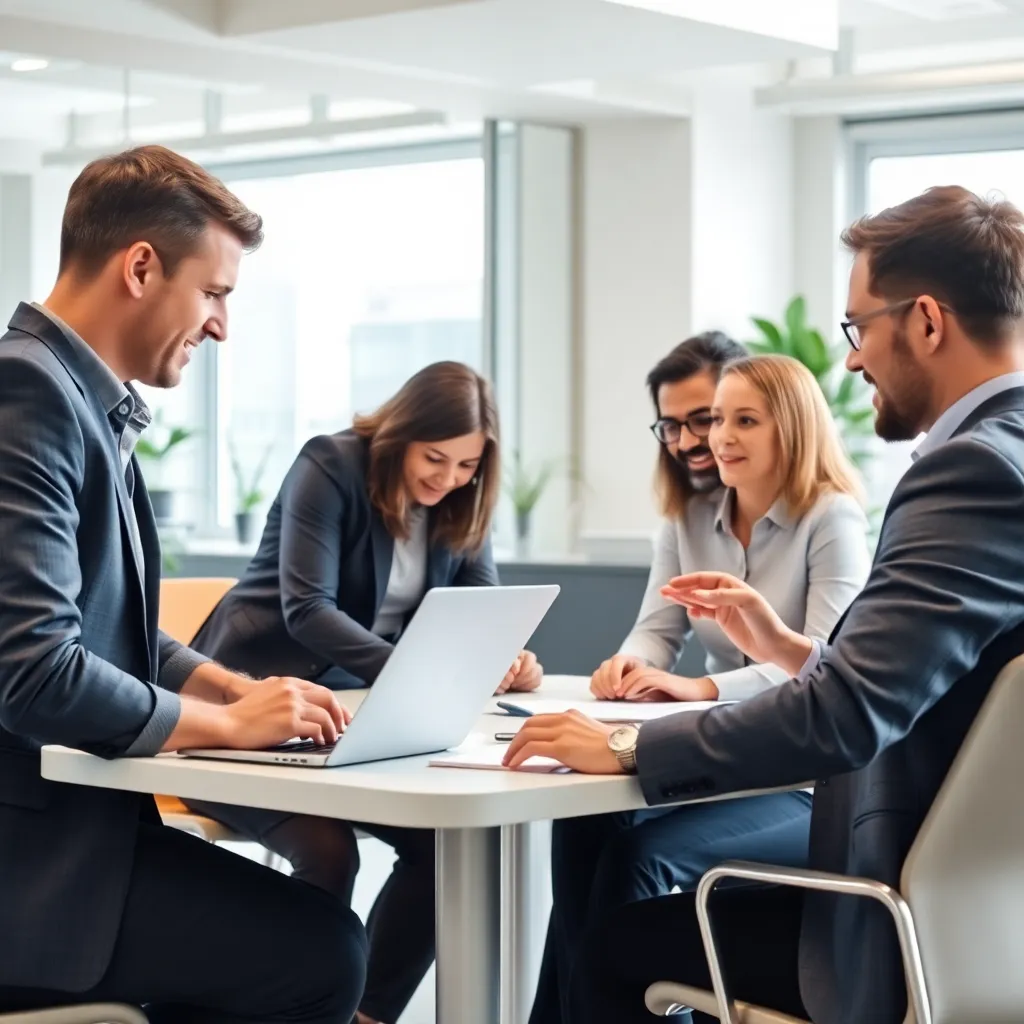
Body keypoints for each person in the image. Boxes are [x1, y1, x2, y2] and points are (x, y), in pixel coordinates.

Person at [505, 185, 1024, 1024]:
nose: (852, 361)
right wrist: (789, 649)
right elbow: (920, 686)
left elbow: (847, 718)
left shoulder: (969, 473)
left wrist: (636, 747)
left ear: (926, 322)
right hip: (988, 902)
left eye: (861, 328)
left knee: (613, 948)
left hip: (894, 914)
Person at [0, 146, 367, 1023]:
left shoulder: (82, 399)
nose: (221, 326)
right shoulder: (29, 392)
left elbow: (116, 632)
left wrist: (238, 691)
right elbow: (36, 673)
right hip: (31, 875)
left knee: (308, 933)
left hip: (78, 843)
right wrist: (231, 727)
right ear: (140, 266)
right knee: (321, 954)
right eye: (216, 293)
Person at [184, 360, 541, 1024]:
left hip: (348, 718)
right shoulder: (332, 464)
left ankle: (364, 1015)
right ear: (402, 432)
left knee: (443, 846)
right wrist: (414, 672)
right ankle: (295, 1008)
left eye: (466, 466)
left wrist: (505, 658)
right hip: (243, 707)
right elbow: (308, 610)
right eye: (435, 458)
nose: (448, 478)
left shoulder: (461, 496)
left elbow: (480, 606)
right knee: (328, 850)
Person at [529, 344, 871, 1023]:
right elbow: (658, 630)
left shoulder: (830, 518)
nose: (716, 438)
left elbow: (825, 668)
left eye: (744, 421)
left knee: (638, 858)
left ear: (792, 428)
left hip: (804, 783)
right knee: (584, 826)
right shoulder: (688, 519)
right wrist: (629, 665)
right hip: (725, 759)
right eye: (717, 420)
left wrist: (703, 691)